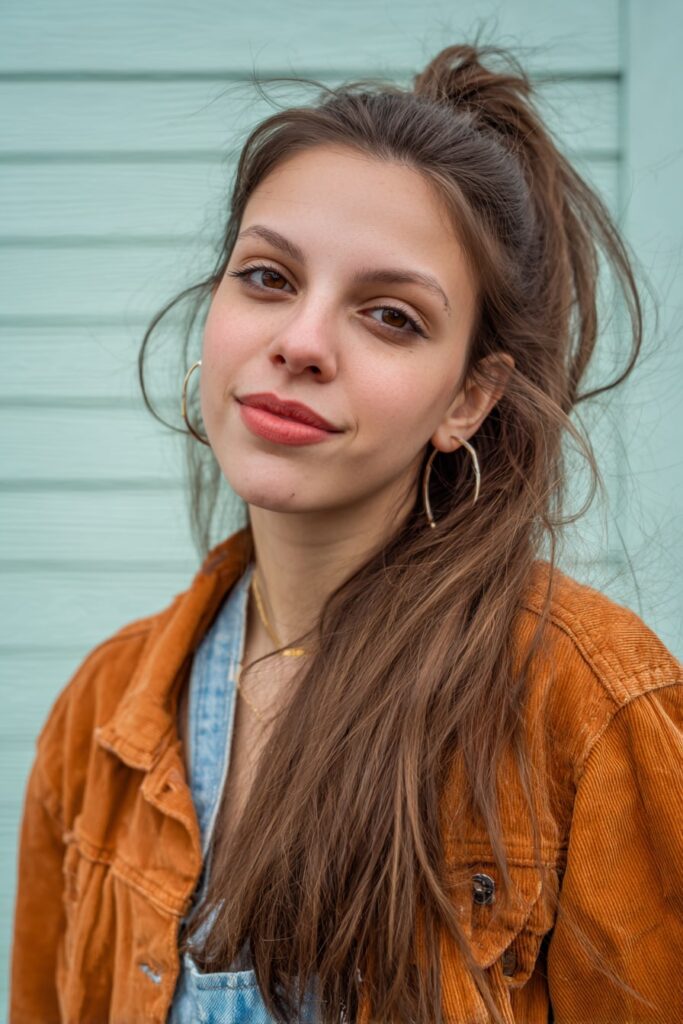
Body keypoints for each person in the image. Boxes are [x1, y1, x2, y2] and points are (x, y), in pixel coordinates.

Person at [9, 40, 683, 1024]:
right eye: (269, 278)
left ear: (468, 398)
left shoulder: (586, 712)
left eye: (389, 315)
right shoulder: (104, 719)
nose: (301, 342)